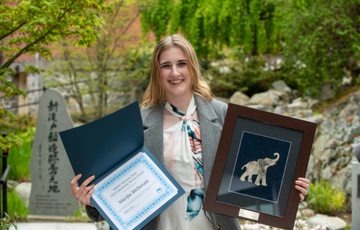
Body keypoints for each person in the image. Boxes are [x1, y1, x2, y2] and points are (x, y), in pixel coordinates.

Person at [71, 34, 310, 230]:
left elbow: (244, 176)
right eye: (166, 66)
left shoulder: (223, 115)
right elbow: (120, 188)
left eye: (181, 63)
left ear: (192, 67)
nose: (175, 73)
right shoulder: (136, 123)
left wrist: (286, 190)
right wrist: (93, 201)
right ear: (158, 72)